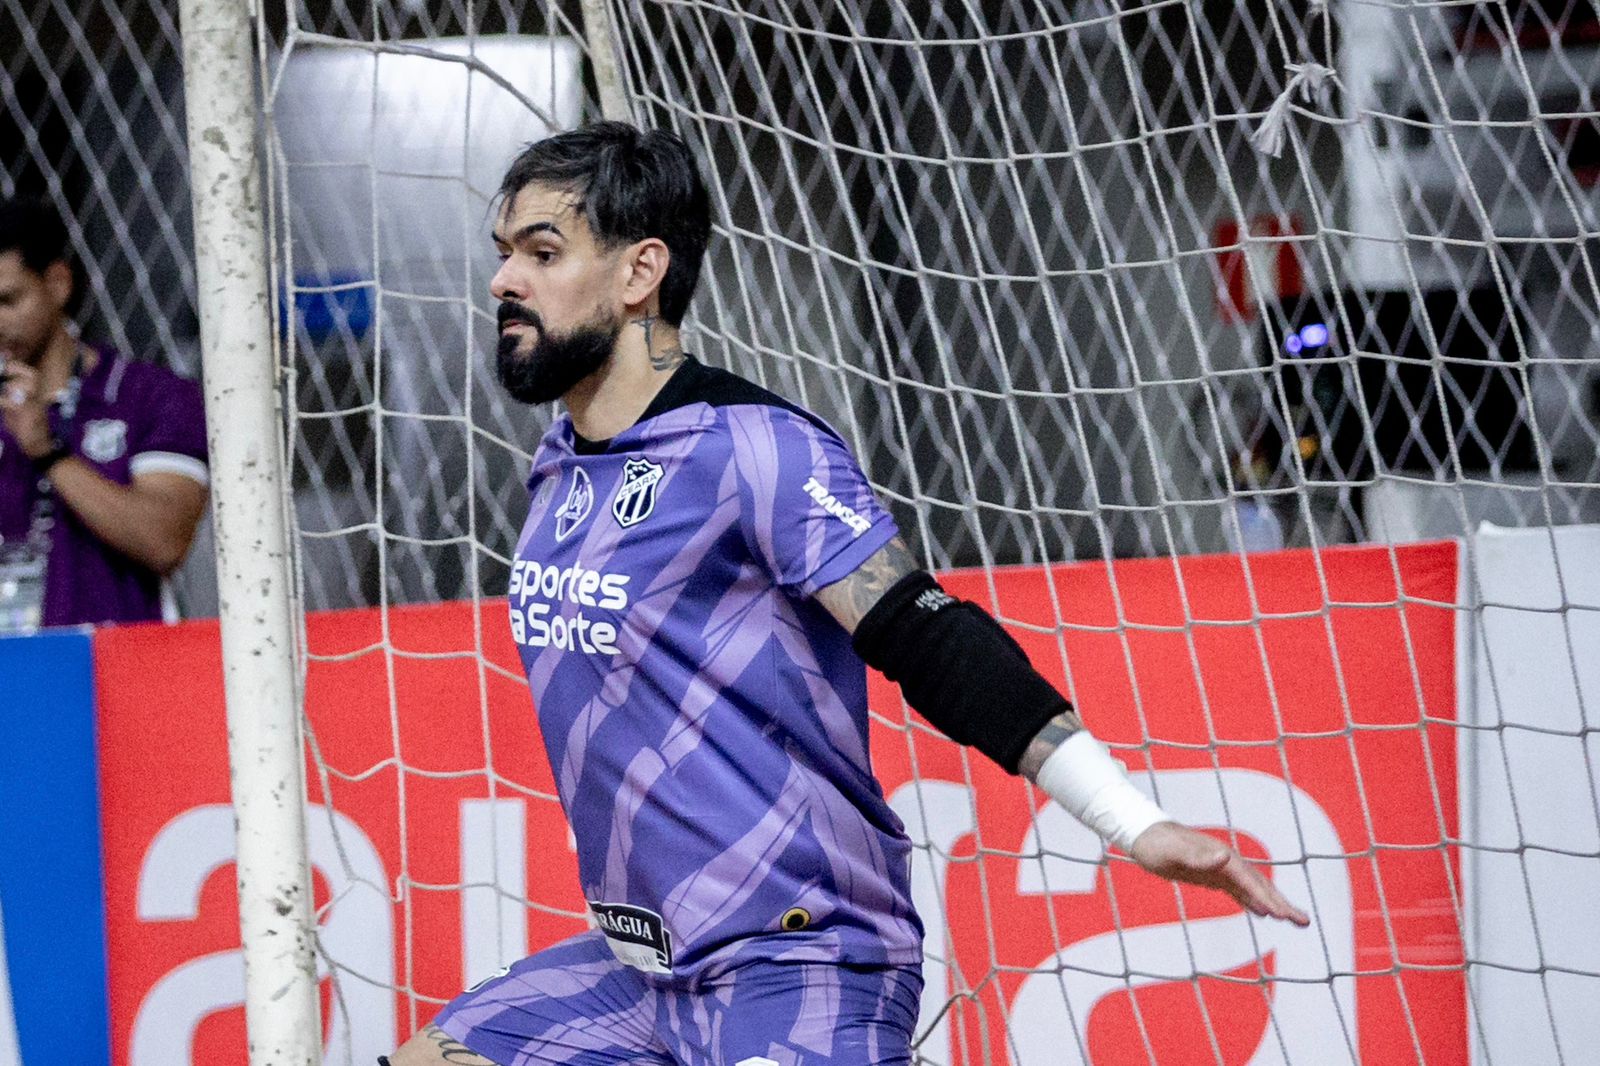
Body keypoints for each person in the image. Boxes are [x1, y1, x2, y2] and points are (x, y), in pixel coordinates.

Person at [388, 123, 1308, 1066]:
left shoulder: (755, 449)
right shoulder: (559, 468)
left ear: (639, 274)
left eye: (543, 253)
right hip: (645, 974)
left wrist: (1132, 819)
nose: (504, 281)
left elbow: (925, 634)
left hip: (801, 955)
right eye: (504, 254)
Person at [0, 198, 209, 632]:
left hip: (120, 674)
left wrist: (50, 454)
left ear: (57, 283)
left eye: (8, 300)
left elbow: (164, 541)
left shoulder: (151, 397)